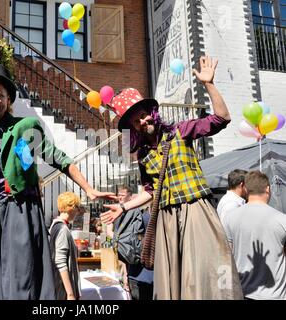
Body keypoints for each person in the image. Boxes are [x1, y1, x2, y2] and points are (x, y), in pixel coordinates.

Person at [0, 62, 114, 300]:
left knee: (20, 280)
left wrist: (89, 190)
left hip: (19, 210)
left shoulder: (24, 128)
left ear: (8, 100)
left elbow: (57, 158)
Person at [101, 55, 243, 299]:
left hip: (195, 208)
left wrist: (209, 84)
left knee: (208, 269)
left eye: (144, 115)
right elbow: (149, 190)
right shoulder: (143, 155)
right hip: (167, 218)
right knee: (176, 280)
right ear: (133, 127)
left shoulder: (181, 131)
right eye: (136, 121)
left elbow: (221, 119)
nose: (142, 121)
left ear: (152, 113)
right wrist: (123, 207)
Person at [222, 171, 286, 300]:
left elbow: (228, 254)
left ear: (246, 189)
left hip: (243, 292)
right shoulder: (282, 219)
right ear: (267, 189)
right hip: (274, 294)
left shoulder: (230, 218)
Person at [113, 185, 153, 300]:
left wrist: (126, 275)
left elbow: (126, 247)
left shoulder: (129, 216)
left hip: (135, 275)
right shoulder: (151, 218)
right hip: (152, 277)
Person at [49, 192, 83, 300]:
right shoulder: (62, 229)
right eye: (77, 207)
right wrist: (70, 294)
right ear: (71, 208)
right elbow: (60, 261)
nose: (78, 211)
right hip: (62, 289)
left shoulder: (55, 226)